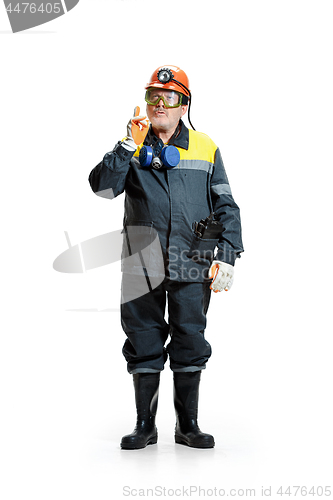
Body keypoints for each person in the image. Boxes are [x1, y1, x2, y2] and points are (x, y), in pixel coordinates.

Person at [88, 65, 244, 450]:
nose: (159, 103)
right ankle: (145, 425)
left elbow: (226, 204)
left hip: (193, 262)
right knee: (143, 339)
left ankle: (187, 425)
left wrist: (227, 254)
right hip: (142, 265)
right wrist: (126, 145)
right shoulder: (133, 146)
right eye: (152, 96)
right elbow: (103, 189)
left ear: (184, 104)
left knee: (191, 338)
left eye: (168, 97)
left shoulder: (205, 146)